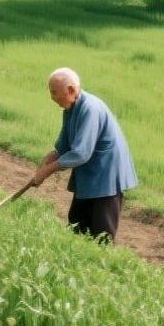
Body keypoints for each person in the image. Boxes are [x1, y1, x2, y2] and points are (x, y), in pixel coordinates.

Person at [32, 68, 136, 242]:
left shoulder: (90, 108)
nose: (52, 98)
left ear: (71, 90)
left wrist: (47, 171)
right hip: (89, 176)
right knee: (76, 227)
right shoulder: (69, 109)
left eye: (54, 93)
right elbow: (63, 147)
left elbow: (80, 154)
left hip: (106, 177)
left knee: (101, 235)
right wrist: (44, 163)